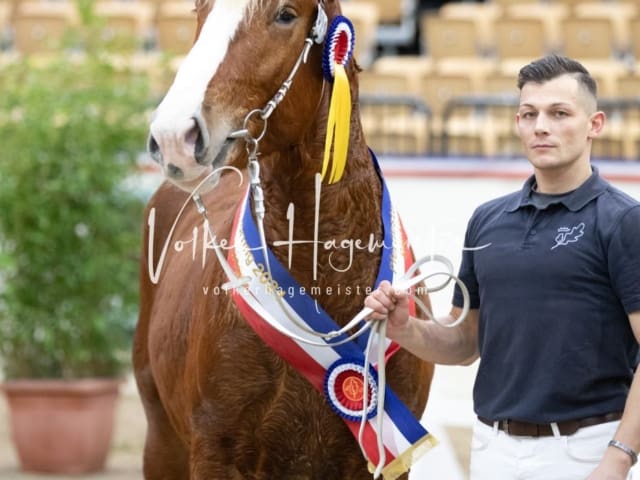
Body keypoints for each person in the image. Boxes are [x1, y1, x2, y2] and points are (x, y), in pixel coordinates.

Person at [365, 54, 640, 480]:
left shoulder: (623, 221)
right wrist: (406, 327)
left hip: (586, 452)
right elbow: (464, 343)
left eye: (559, 113)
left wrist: (618, 457)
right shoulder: (488, 219)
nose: (540, 126)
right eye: (529, 114)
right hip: (492, 449)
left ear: (595, 124)